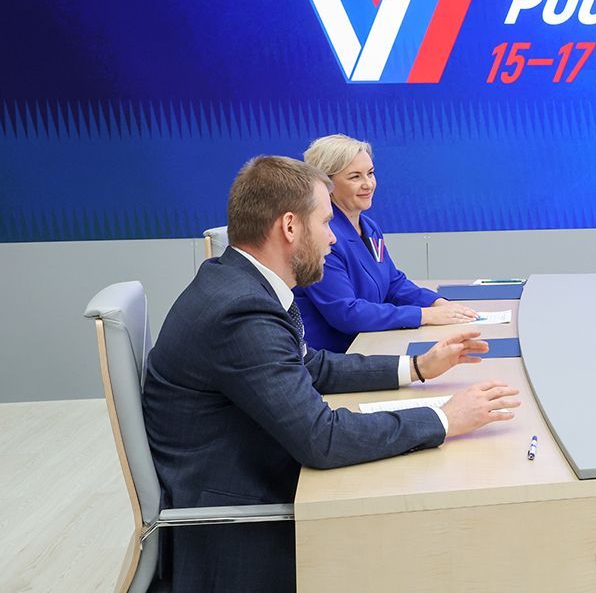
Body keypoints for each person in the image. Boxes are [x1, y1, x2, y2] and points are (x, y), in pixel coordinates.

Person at [142, 156, 520, 592]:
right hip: (242, 522)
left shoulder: (239, 283)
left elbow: (310, 365)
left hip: (255, 474)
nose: (333, 238)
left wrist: (417, 367)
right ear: (290, 227)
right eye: (324, 223)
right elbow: (320, 439)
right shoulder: (241, 312)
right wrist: (446, 419)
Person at [294, 134, 478, 353]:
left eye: (370, 173)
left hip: (369, 346)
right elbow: (346, 313)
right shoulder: (321, 237)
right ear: (327, 184)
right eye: (355, 177)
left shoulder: (369, 227)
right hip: (334, 358)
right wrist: (424, 315)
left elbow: (393, 283)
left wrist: (437, 303)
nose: (368, 184)